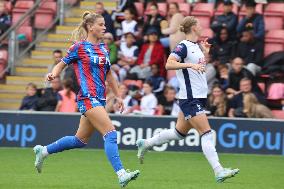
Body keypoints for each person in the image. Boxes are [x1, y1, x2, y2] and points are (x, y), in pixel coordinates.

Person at [32, 12, 140, 187]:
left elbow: (110, 75)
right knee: (111, 133)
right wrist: (54, 74)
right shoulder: (79, 47)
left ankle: (43, 151)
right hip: (87, 98)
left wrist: (118, 95)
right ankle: (121, 174)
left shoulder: (104, 48)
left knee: (79, 140)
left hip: (100, 99)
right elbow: (62, 63)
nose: (104, 27)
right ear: (90, 27)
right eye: (101, 25)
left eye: (104, 25)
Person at [136, 16, 239, 183]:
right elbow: (169, 64)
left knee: (178, 133)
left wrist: (204, 53)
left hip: (196, 97)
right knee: (206, 133)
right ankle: (219, 171)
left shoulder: (196, 47)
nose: (202, 26)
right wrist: (190, 65)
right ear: (193, 28)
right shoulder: (183, 46)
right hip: (190, 98)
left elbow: (197, 70)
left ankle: (146, 143)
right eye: (199, 24)